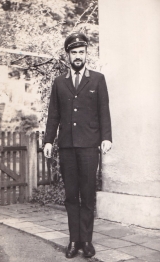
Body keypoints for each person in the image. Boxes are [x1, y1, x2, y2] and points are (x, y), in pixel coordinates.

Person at [43, 32, 112, 259]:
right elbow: (53, 115)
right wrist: (48, 141)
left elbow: (104, 111)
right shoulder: (59, 83)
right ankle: (74, 241)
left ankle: (87, 241)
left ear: (86, 54)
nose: (78, 56)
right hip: (67, 147)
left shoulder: (97, 79)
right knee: (71, 195)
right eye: (74, 52)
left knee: (88, 194)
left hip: (89, 146)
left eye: (81, 52)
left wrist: (106, 137)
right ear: (68, 55)